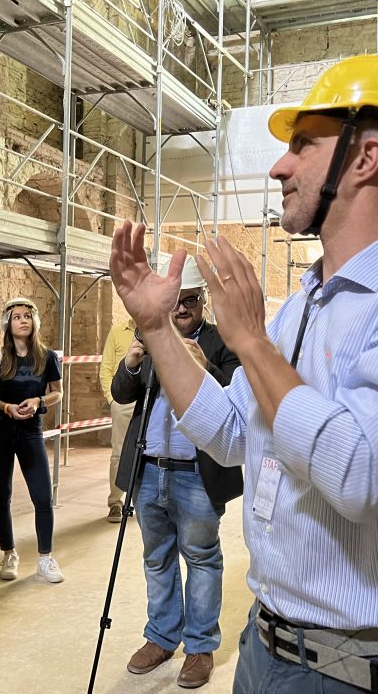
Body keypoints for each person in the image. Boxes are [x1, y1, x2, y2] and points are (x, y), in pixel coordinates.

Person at [109, 54, 378, 693]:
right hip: (269, 649)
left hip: (377, 671)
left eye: (301, 145)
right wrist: (156, 330)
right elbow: (229, 430)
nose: (279, 166)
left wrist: (249, 340)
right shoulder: (304, 304)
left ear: (364, 158)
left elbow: (359, 472)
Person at [112, 258, 242, 690]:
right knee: (157, 557)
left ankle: (200, 646)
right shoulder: (152, 337)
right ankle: (162, 637)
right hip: (151, 470)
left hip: (196, 474)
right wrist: (131, 363)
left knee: (202, 557)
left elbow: (242, 399)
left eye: (190, 301)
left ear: (202, 300)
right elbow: (121, 393)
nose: (182, 309)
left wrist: (207, 366)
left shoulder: (222, 341)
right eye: (176, 302)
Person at [0, 296, 65, 583]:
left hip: (30, 431)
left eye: (28, 316)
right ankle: (9, 553)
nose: (23, 320)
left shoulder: (47, 356)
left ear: (35, 322)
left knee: (42, 496)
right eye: (17, 317)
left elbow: (57, 392)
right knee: (2, 495)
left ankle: (45, 558)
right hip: (0, 430)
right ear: (7, 323)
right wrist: (5, 406)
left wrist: (38, 400)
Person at [100, 317, 137, 522]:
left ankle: (143, 501)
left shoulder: (155, 329)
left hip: (147, 400)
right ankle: (115, 502)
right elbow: (106, 367)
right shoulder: (117, 331)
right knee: (119, 453)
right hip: (122, 401)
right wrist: (112, 398)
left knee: (147, 451)